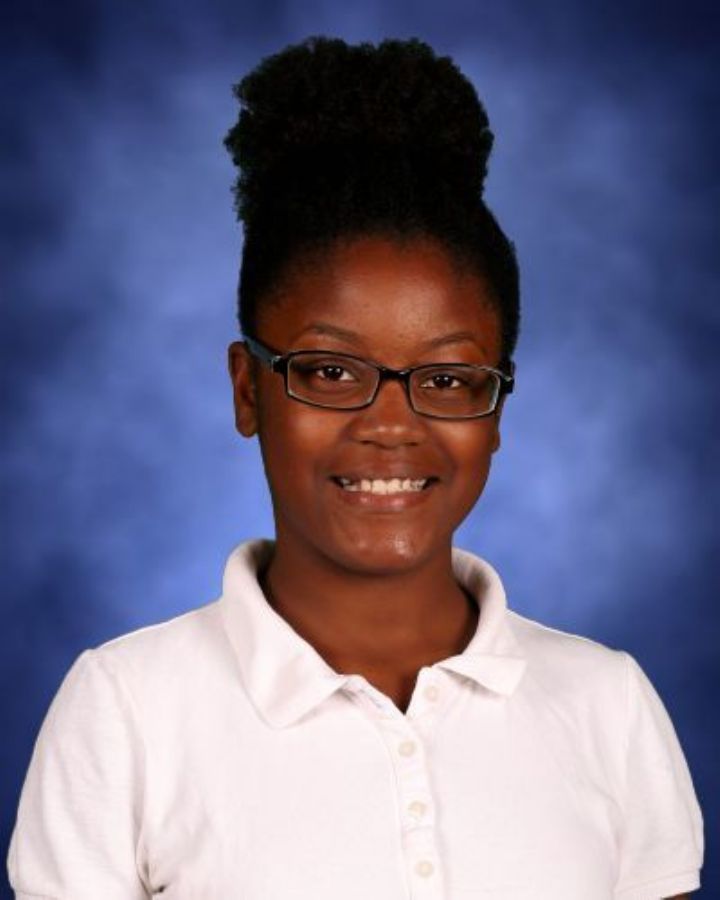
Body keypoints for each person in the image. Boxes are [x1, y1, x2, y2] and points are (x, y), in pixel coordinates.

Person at [7, 35, 703, 899]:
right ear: (248, 390)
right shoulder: (126, 709)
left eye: (447, 379)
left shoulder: (606, 703)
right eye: (331, 371)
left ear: (497, 408)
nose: (391, 425)